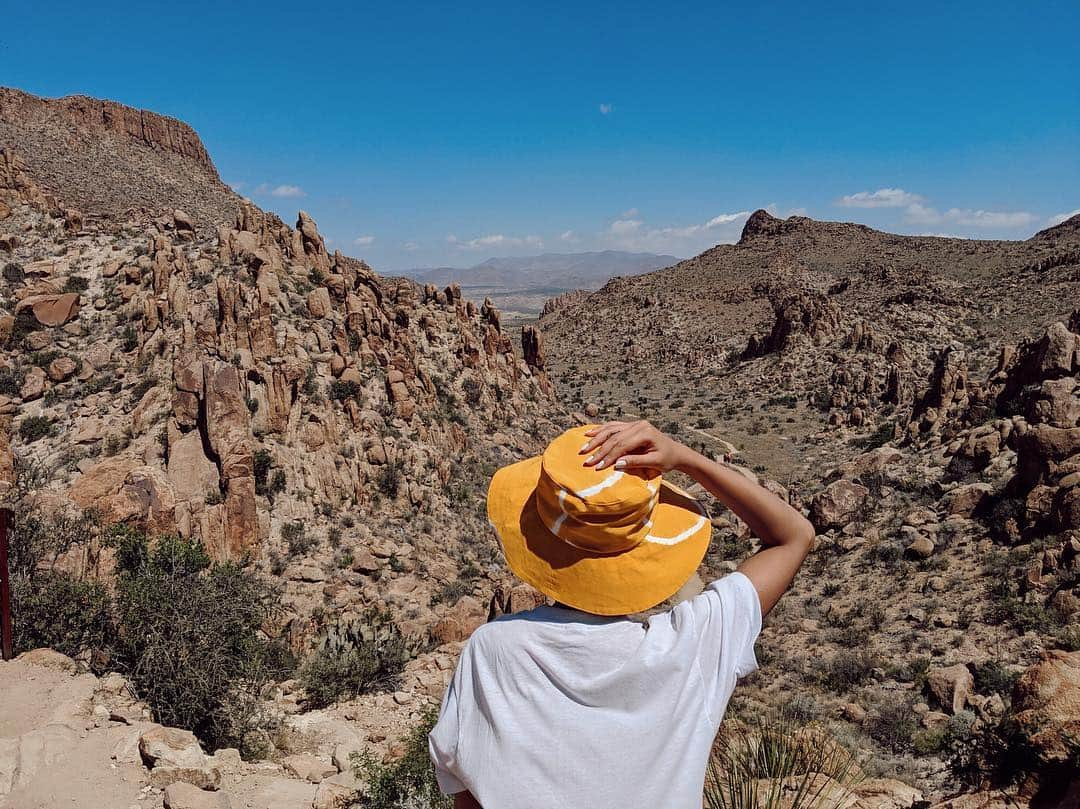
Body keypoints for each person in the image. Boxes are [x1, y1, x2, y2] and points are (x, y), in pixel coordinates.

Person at [429, 420, 814, 809]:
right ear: (643, 554)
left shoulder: (492, 653)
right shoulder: (692, 646)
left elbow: (471, 796)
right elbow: (794, 535)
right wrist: (683, 458)